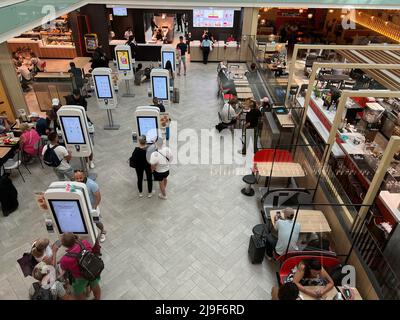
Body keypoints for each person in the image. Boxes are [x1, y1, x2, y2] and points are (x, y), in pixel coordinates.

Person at [59, 233, 101, 300]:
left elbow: (64, 268)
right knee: (95, 285)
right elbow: (90, 250)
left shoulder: (65, 259)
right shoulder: (84, 243)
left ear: (64, 245)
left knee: (78, 293)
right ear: (74, 238)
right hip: (91, 270)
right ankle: (97, 298)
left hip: (80, 278)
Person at [73, 170, 106, 242]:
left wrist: (94, 208)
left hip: (92, 207)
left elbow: (98, 197)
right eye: (77, 178)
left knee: (97, 221)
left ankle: (103, 231)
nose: (79, 180)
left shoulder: (92, 184)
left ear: (84, 175)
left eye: (80, 178)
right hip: (82, 206)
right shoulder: (75, 183)